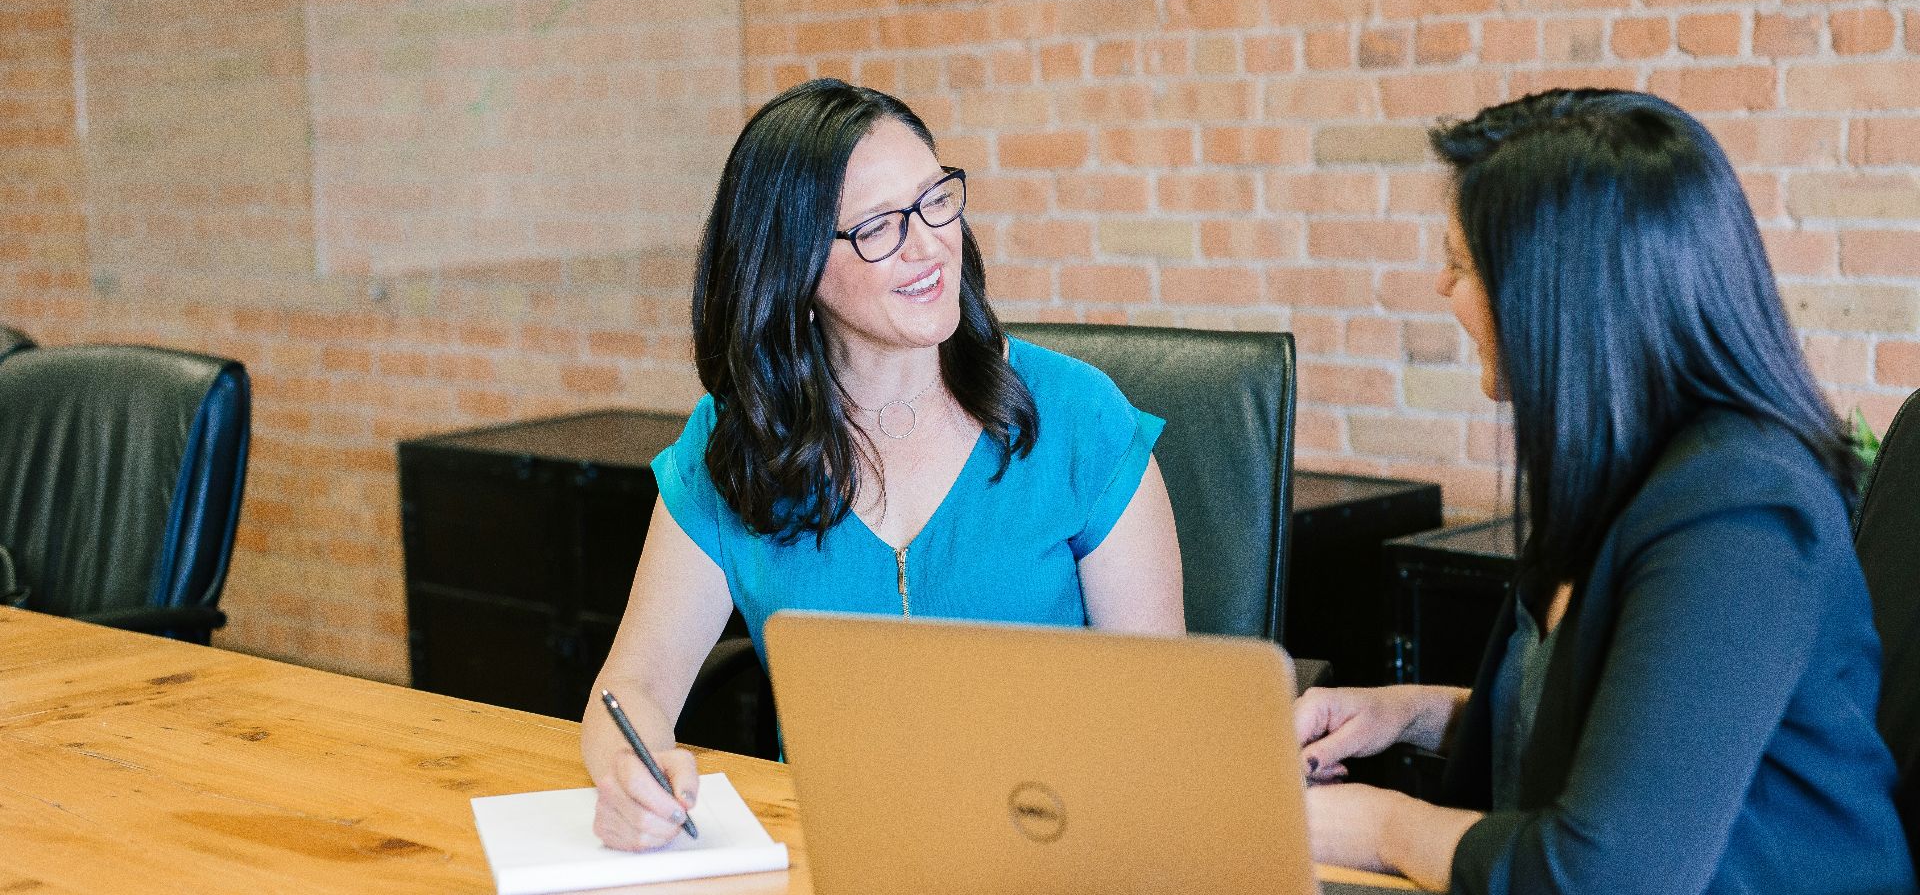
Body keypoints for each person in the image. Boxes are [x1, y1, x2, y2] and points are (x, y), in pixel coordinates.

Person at [1295, 90, 1916, 894]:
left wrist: (1379, 826)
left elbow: (1609, 876)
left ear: (1559, 295)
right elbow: (1607, 731)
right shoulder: (1622, 472)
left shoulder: (1740, 512)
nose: (1441, 287)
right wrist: (1406, 715)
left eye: (1461, 262)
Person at [582, 78, 1184, 851]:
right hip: (830, 847)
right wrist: (628, 778)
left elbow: (1164, 717)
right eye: (878, 227)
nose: (931, 243)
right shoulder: (735, 445)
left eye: (937, 200)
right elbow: (630, 686)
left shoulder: (1078, 419)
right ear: (793, 267)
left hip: (1053, 845)